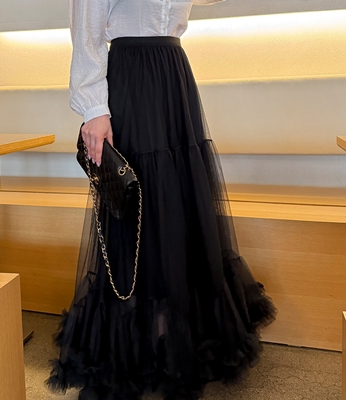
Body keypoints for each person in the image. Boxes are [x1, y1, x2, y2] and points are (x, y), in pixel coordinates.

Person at [47, 1, 277, 399]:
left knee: (179, 202)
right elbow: (86, 30)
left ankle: (179, 332)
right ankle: (144, 338)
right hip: (132, 78)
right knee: (141, 205)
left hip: (174, 75)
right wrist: (93, 108)